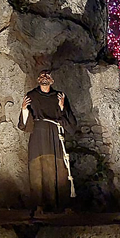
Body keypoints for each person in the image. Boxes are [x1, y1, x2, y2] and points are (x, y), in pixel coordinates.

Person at [18, 69, 76, 211]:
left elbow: (70, 123)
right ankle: (39, 204)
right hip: (38, 135)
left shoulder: (59, 96)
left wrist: (62, 108)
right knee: (37, 168)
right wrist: (24, 110)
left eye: (47, 76)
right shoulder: (31, 96)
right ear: (38, 79)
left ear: (52, 80)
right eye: (42, 76)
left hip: (55, 135)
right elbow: (24, 124)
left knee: (58, 168)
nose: (44, 79)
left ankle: (59, 204)